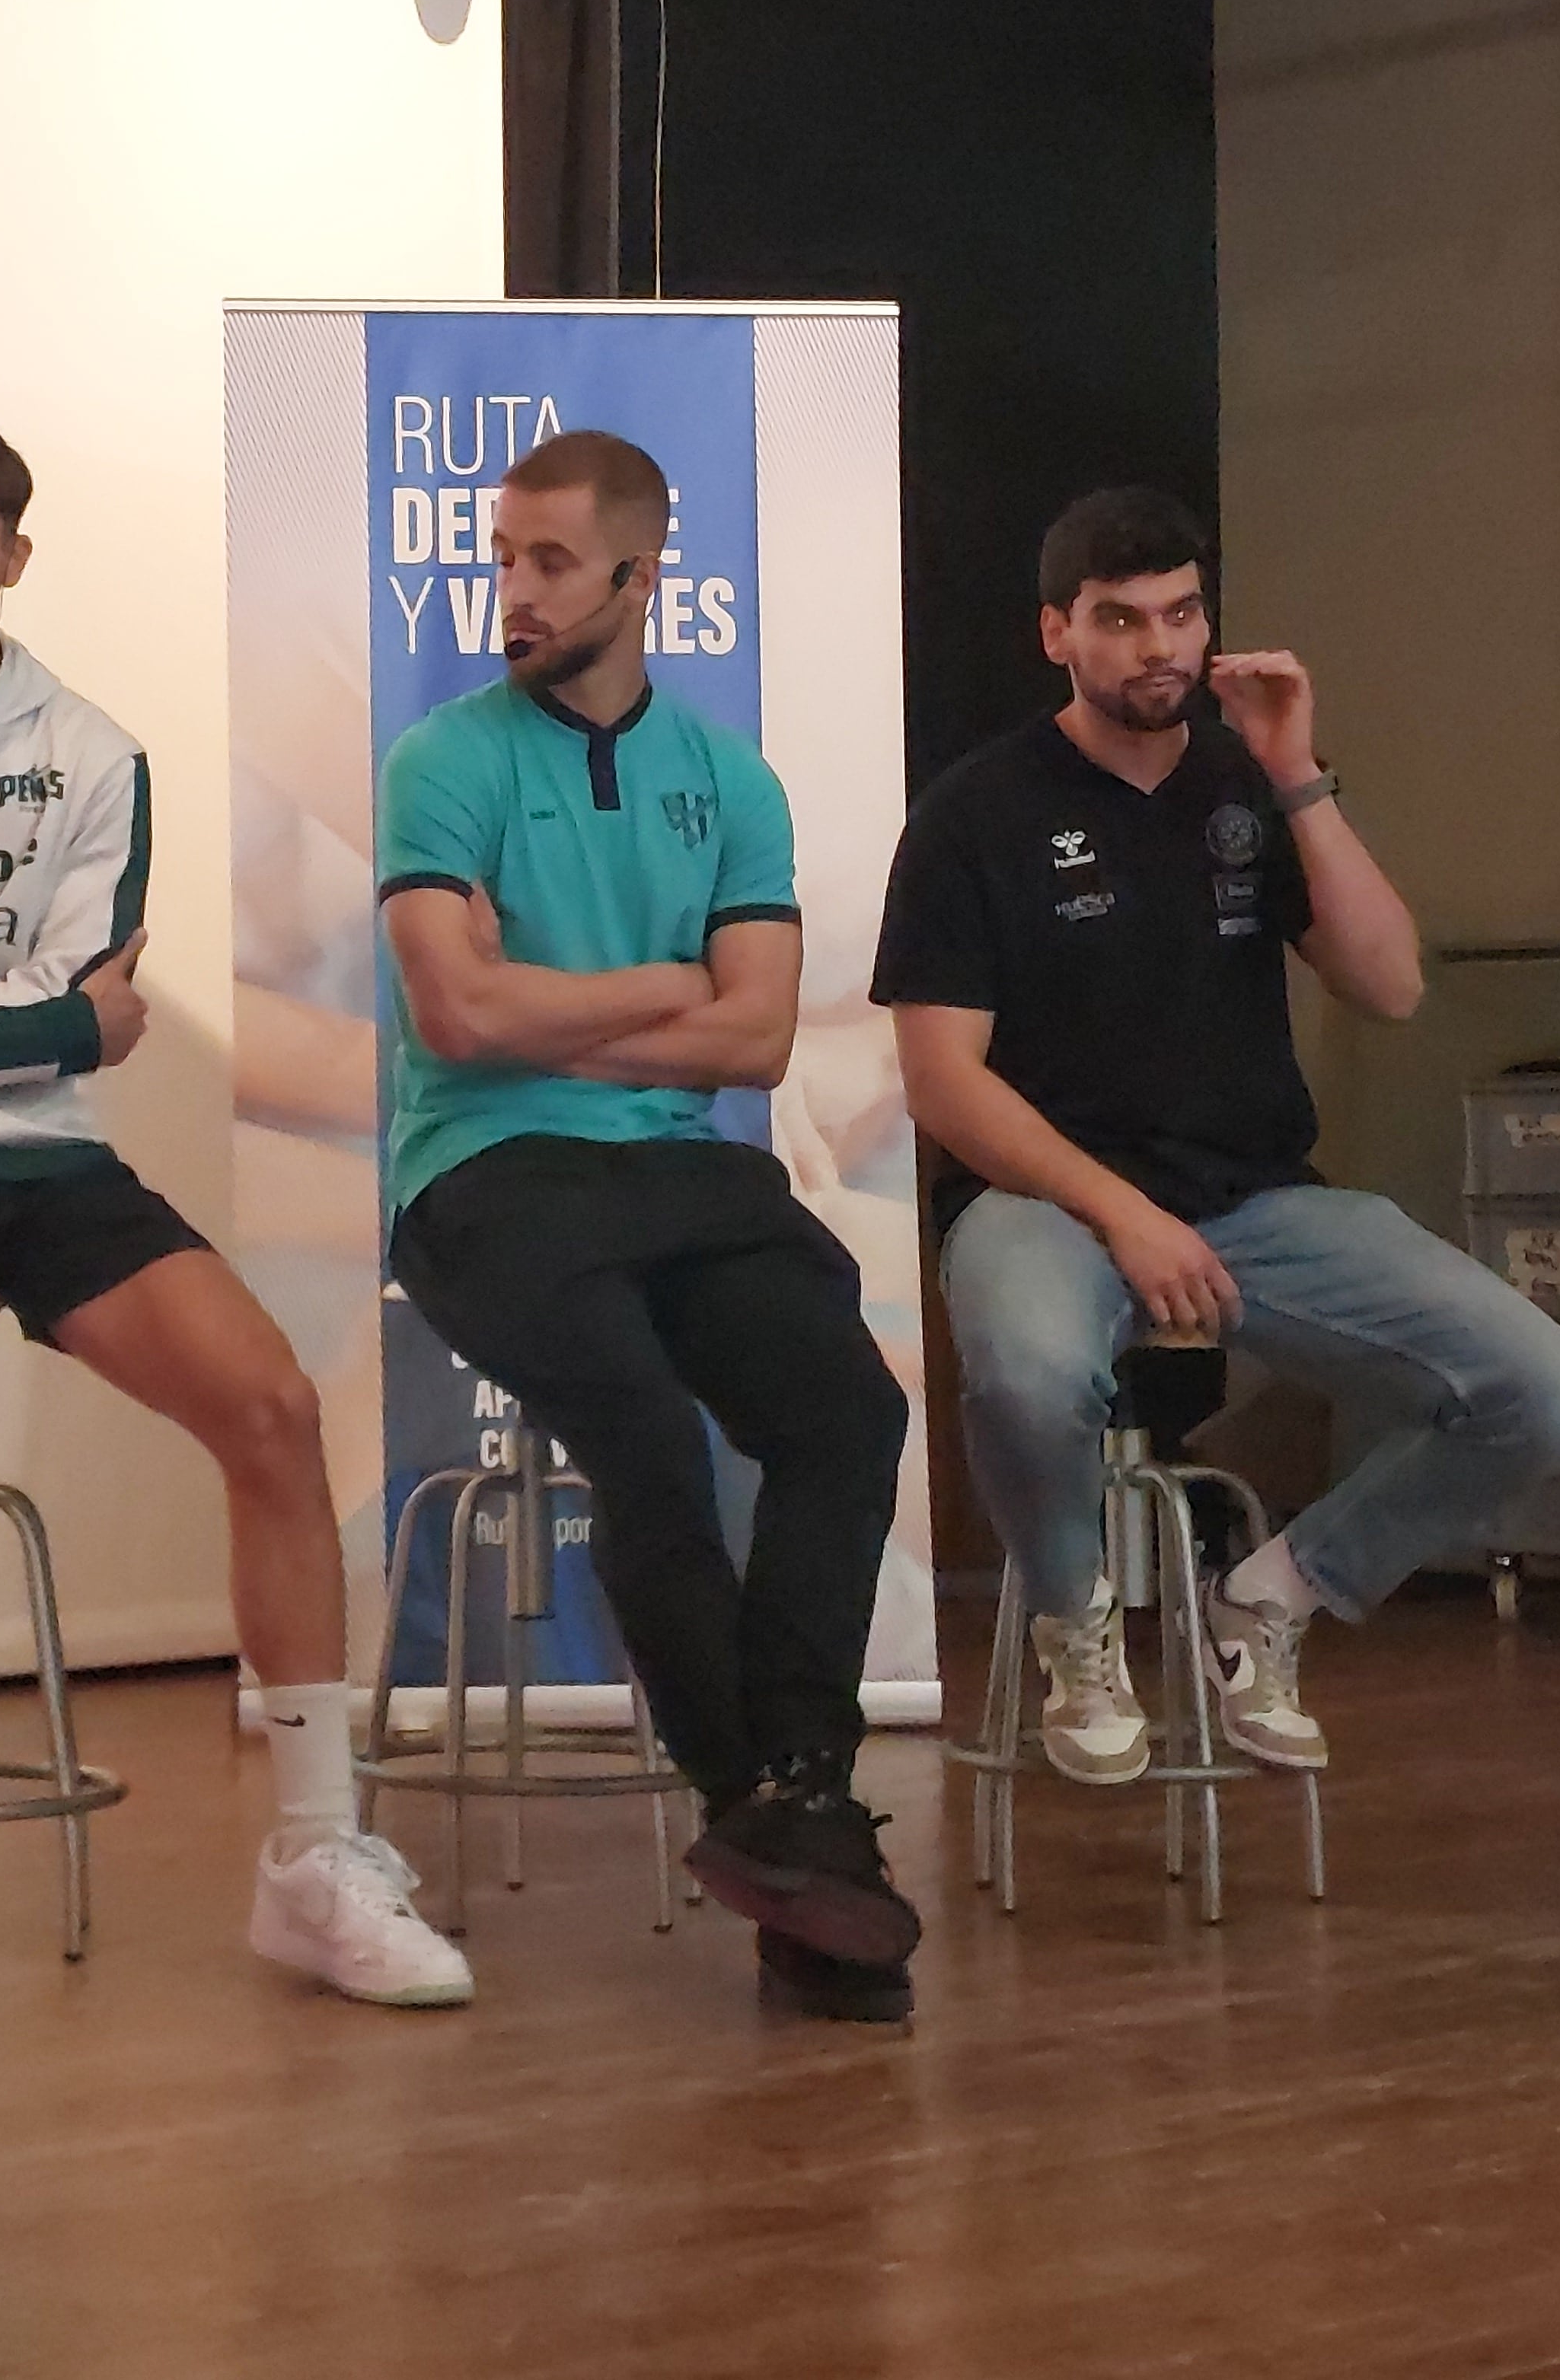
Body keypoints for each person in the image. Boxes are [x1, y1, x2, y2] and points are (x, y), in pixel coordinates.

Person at [0, 413, 469, 2010]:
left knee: (272, 1406)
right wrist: (45, 1027)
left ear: (9, 552)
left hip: (43, 1163)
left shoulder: (93, 752)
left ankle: (312, 1859)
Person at [870, 486, 1560, 1785]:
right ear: (1058, 636)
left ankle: (1273, 1599)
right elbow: (943, 1083)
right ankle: (1074, 1622)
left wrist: (1297, 776)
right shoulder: (976, 813)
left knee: (1541, 1390)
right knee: (1032, 1373)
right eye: (1121, 620)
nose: (1159, 648)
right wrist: (1124, 1217)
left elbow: (1390, 985)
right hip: (1049, 1206)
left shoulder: (1247, 787)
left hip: (1261, 1203)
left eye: (1183, 615)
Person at [372, 429, 920, 2026]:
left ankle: (793, 1803)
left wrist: (559, 1010)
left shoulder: (727, 780)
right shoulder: (445, 761)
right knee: (649, 1442)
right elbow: (455, 1022)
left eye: (547, 562)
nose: (511, 592)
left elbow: (755, 1047)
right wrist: (664, 988)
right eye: (497, 558)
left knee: (845, 1409)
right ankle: (790, 1825)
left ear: (636, 575)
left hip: (683, 1174)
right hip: (480, 1178)